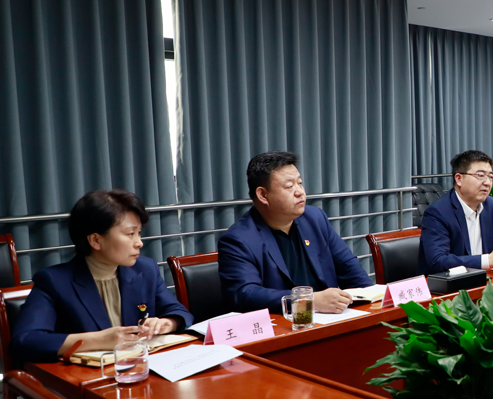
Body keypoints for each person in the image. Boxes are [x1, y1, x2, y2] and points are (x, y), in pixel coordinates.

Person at [13, 190, 194, 366]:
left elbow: (179, 312)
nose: (139, 242)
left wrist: (166, 323)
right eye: (130, 234)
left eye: (139, 233)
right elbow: (25, 341)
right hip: (86, 378)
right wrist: (98, 340)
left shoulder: (145, 270)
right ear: (96, 240)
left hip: (141, 369)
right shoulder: (54, 281)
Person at [218, 151, 373, 314]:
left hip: (330, 319)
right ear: (263, 195)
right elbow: (245, 295)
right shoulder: (239, 240)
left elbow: (349, 268)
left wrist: (372, 299)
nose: (300, 192)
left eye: (300, 183)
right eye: (289, 186)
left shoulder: (315, 219)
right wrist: (308, 300)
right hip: (284, 324)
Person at [418, 150, 493, 274]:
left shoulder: (492, 206)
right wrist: (488, 260)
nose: (487, 183)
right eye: (480, 175)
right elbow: (438, 261)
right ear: (459, 179)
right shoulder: (438, 212)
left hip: (486, 279)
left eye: (490, 177)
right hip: (448, 284)